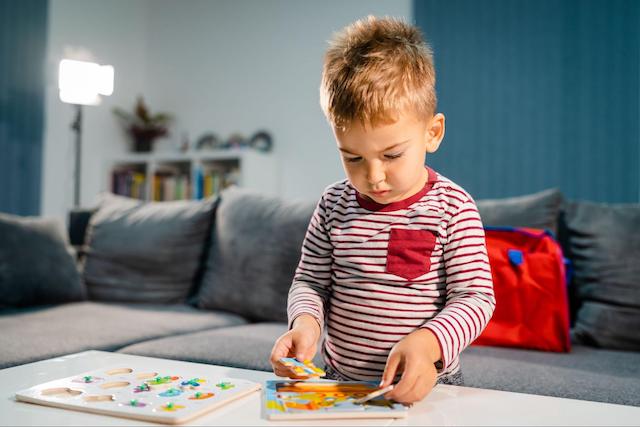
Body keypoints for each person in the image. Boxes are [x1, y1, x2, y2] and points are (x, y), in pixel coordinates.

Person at [270, 16, 495, 404]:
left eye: (391, 154)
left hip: (428, 384)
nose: (373, 176)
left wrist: (429, 344)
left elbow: (475, 298)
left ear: (432, 133)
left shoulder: (453, 207)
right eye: (353, 157)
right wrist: (305, 323)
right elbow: (310, 282)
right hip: (338, 380)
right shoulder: (333, 204)